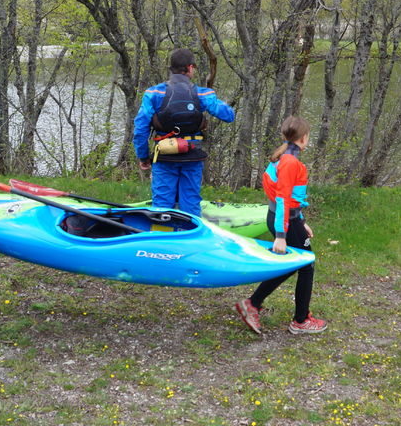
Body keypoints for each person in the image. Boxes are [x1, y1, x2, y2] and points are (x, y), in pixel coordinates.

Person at [234, 116, 327, 335]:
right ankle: (300, 321)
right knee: (307, 264)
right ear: (304, 138)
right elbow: (283, 198)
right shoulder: (290, 162)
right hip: (284, 220)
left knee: (295, 264)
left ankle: (253, 304)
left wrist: (302, 223)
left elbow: (292, 196)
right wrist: (281, 235)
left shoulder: (283, 156)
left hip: (286, 218)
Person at [133, 48, 235, 216]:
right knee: (191, 204)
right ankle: (190, 235)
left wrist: (143, 157)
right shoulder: (203, 93)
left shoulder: (153, 93)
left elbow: (140, 128)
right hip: (192, 155)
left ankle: (161, 237)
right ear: (189, 67)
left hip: (164, 156)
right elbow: (229, 116)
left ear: (171, 68)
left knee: (162, 206)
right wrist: (221, 102)